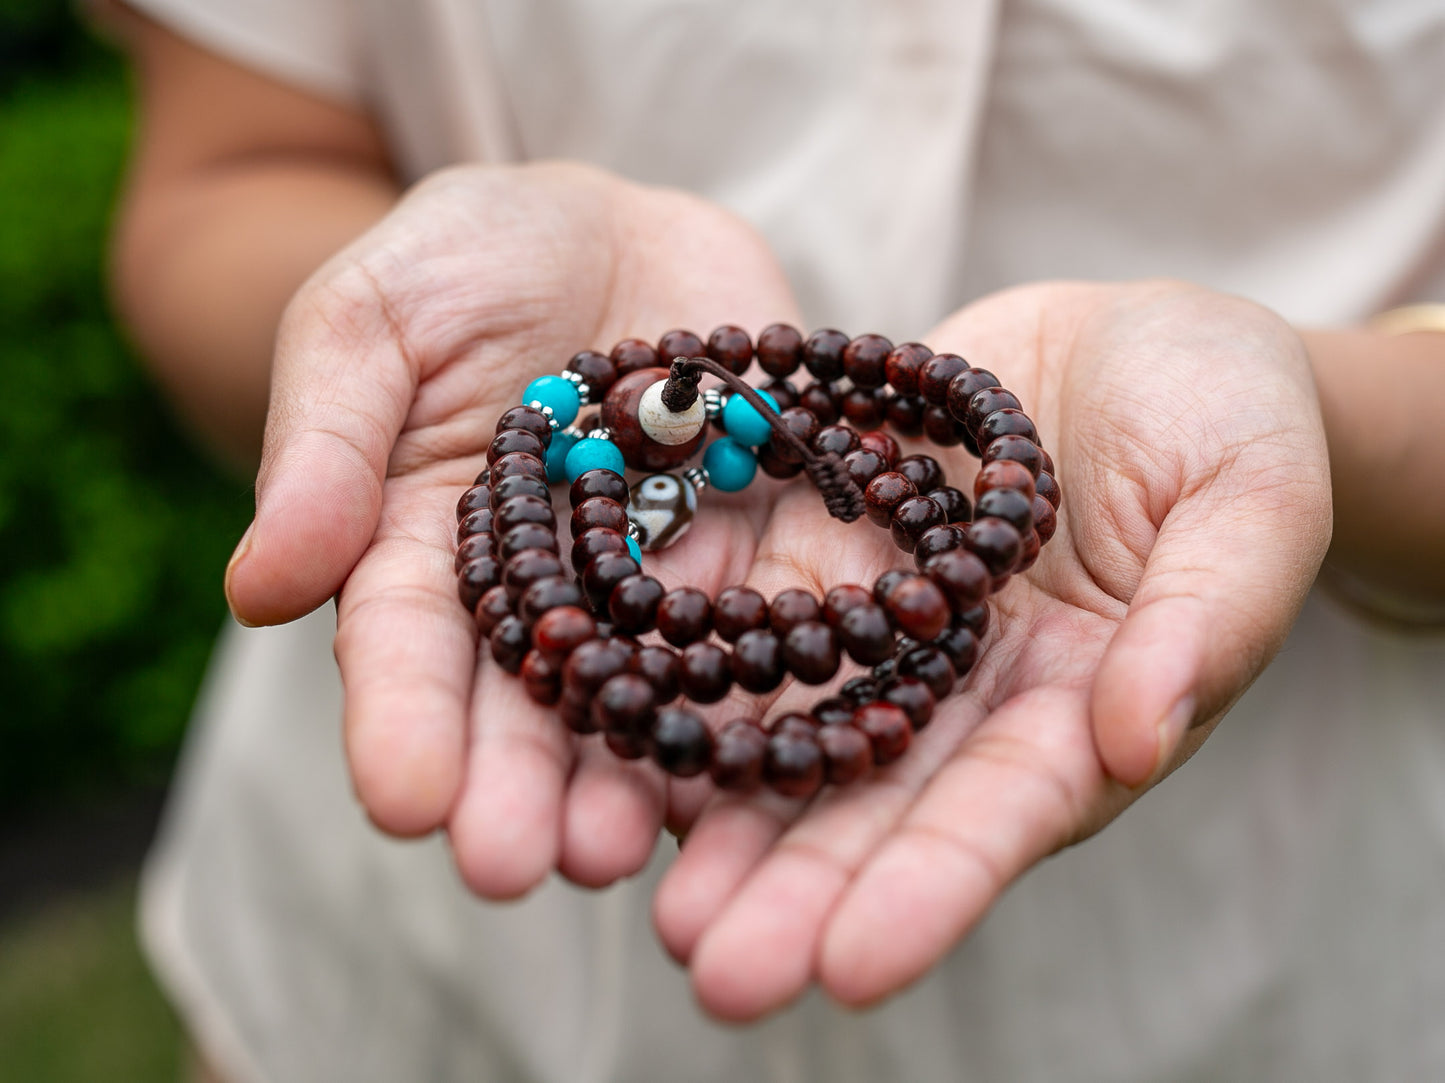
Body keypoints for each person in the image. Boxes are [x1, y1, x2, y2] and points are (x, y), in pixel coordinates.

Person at [107, 1, 1445, 1079]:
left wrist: (1311, 411)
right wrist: (405, 345)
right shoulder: (602, 466)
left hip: (1259, 975)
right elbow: (225, 172)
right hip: (408, 981)